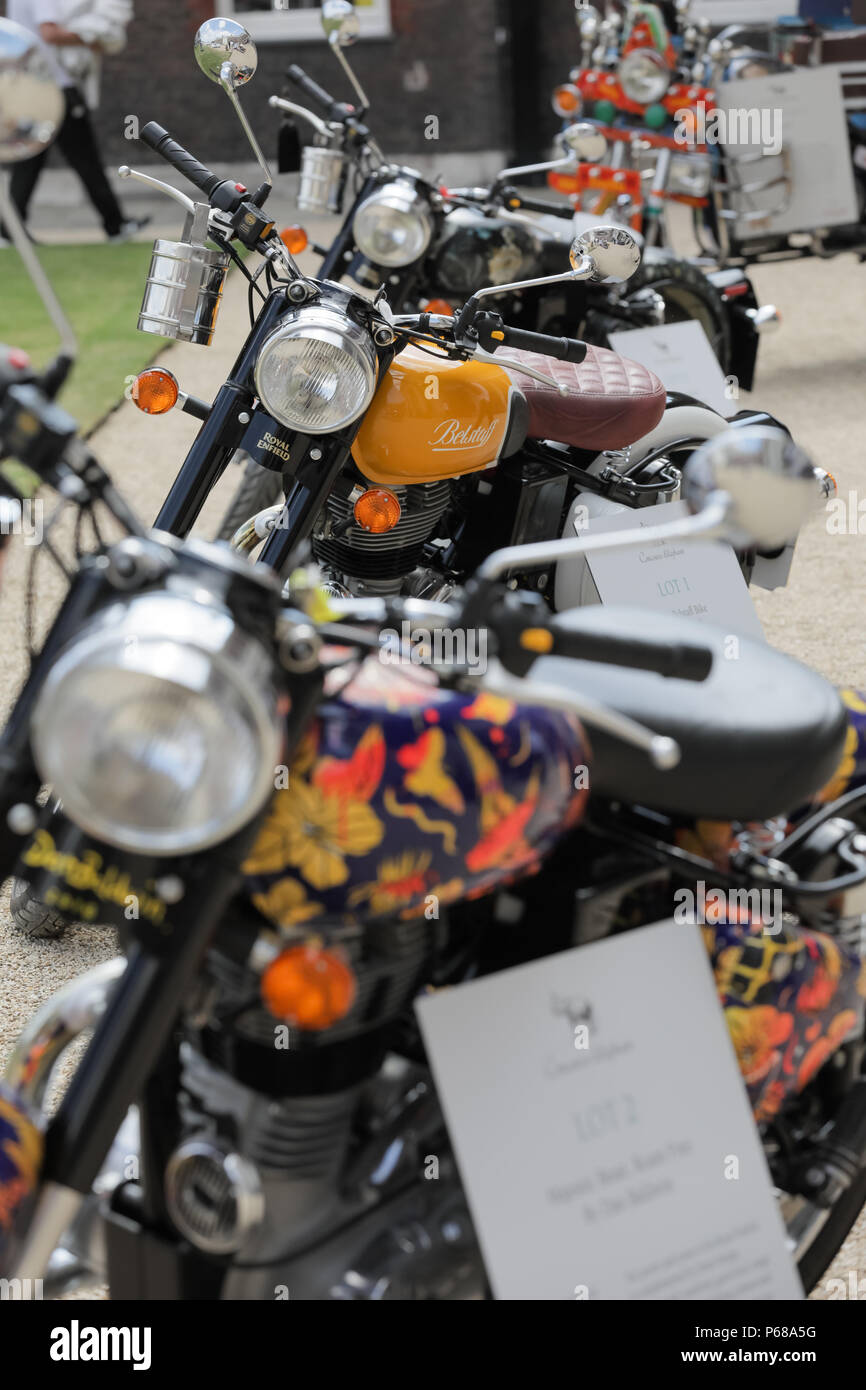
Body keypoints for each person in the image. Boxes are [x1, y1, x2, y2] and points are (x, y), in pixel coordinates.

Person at [3, 0, 148, 243]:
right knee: (85, 158)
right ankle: (116, 225)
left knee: (31, 159)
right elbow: (49, 33)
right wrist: (95, 38)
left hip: (33, 85)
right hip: (55, 87)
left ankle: (9, 229)